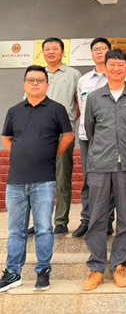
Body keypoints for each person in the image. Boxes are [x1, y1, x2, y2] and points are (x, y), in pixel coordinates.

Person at [0, 66, 74, 292]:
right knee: (16, 230)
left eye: (40, 80)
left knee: (43, 229)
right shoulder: (14, 111)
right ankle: (13, 273)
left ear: (47, 85)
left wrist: (51, 155)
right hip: (16, 181)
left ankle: (43, 271)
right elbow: (7, 138)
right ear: (24, 84)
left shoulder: (57, 109)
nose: (35, 83)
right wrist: (21, 154)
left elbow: (68, 136)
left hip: (44, 180)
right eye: (31, 80)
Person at [82, 49, 126, 291]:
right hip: (100, 165)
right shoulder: (94, 97)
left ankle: (119, 264)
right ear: (105, 67)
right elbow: (90, 130)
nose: (116, 68)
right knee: (97, 218)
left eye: (121, 65)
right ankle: (96, 268)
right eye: (112, 64)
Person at [32, 38, 81, 236]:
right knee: (38, 179)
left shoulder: (74, 74)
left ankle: (61, 221)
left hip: (63, 134)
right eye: (47, 49)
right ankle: (39, 222)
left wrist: (67, 123)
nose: (51, 52)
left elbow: (79, 105)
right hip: (38, 135)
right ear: (43, 52)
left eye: (55, 48)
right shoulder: (37, 75)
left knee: (62, 178)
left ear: (62, 52)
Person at [73, 38, 116, 238]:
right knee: (89, 178)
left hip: (109, 138)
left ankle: (107, 220)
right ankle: (87, 219)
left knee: (110, 180)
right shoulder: (83, 80)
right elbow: (81, 108)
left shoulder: (116, 76)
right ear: (91, 54)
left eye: (103, 49)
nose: (99, 52)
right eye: (95, 49)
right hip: (86, 137)